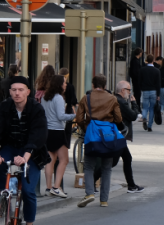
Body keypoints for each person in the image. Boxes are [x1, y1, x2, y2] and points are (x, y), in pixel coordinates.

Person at [0, 77, 48, 224]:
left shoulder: (36, 108)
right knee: (1, 177)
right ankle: (4, 201)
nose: (17, 93)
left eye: (21, 90)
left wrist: (25, 157)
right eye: (14, 90)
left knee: (28, 191)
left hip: (31, 151)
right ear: (9, 92)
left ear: (28, 92)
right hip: (10, 146)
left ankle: (29, 222)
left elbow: (38, 135)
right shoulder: (4, 107)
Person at [74, 75, 122, 208]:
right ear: (105, 86)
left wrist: (87, 128)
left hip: (92, 136)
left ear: (93, 85)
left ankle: (89, 193)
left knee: (89, 166)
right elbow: (118, 119)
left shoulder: (86, 98)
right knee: (107, 168)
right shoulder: (112, 98)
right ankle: (104, 200)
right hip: (107, 136)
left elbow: (78, 118)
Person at [42, 75, 74, 198]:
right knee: (64, 160)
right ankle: (56, 187)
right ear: (59, 84)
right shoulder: (59, 98)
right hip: (58, 131)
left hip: (48, 131)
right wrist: (73, 116)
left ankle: (48, 187)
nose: (65, 85)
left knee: (50, 160)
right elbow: (61, 116)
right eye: (64, 83)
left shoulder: (45, 97)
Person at [113, 81, 144, 193]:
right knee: (112, 162)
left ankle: (131, 185)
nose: (130, 93)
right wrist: (134, 103)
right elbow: (132, 116)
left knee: (127, 158)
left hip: (117, 134)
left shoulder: (115, 99)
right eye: (129, 90)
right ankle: (93, 180)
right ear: (122, 90)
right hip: (119, 135)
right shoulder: (121, 102)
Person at [139, 55, 161, 132]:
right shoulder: (157, 71)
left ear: (146, 60)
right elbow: (158, 84)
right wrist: (158, 94)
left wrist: (141, 88)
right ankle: (149, 126)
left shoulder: (142, 70)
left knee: (145, 107)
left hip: (145, 90)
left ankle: (144, 117)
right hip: (153, 91)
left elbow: (140, 81)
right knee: (152, 108)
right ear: (153, 60)